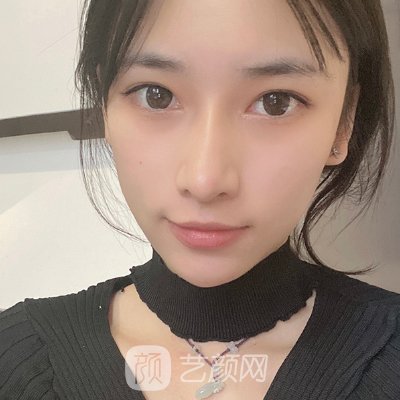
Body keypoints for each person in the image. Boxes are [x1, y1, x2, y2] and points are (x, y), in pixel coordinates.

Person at [1, 0, 399, 399]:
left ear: (344, 121)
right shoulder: (14, 359)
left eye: (276, 102)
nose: (205, 181)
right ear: (105, 107)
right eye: (156, 96)